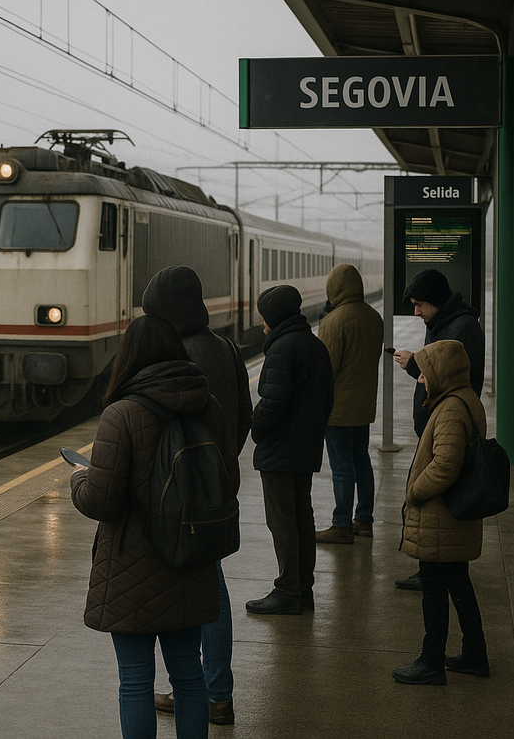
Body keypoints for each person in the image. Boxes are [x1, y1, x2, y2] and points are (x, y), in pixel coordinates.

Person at [69, 315, 240, 739]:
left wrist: (78, 479)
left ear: (128, 357)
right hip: (191, 559)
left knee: (135, 681)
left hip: (133, 568)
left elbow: (100, 500)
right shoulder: (210, 406)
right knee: (189, 677)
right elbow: (227, 483)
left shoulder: (121, 414)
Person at [142, 265, 252, 725]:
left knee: (206, 591)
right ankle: (212, 690)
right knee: (212, 585)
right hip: (218, 484)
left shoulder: (178, 357)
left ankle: (212, 692)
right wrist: (221, 466)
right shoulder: (226, 349)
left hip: (184, 492)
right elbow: (245, 415)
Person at [392, 340, 489, 685]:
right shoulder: (467, 399)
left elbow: (445, 465)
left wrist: (415, 492)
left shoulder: (449, 409)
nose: (420, 380)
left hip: (440, 517)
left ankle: (431, 661)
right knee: (458, 583)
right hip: (455, 518)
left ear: (442, 373)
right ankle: (475, 653)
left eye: (425, 373)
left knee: (434, 590)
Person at [393, 268, 485, 590]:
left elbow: (451, 375)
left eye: (420, 305)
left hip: (446, 426)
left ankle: (436, 571)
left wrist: (414, 364)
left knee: (440, 506)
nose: (416, 312)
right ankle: (433, 567)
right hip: (437, 422)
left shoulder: (461, 328)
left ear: (435, 301)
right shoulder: (443, 322)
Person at [247, 285, 334, 615]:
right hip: (304, 448)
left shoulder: (282, 349)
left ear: (273, 316)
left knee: (283, 522)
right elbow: (327, 400)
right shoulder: (313, 344)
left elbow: (272, 403)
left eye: (263, 318)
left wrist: (256, 428)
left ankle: (287, 590)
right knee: (301, 519)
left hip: (281, 451)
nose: (262, 325)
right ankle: (302, 589)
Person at [315, 264, 383, 544]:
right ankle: (364, 519)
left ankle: (341, 524)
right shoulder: (374, 317)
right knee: (362, 462)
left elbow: (326, 369)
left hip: (339, 411)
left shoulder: (333, 322)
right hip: (364, 406)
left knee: (342, 467)